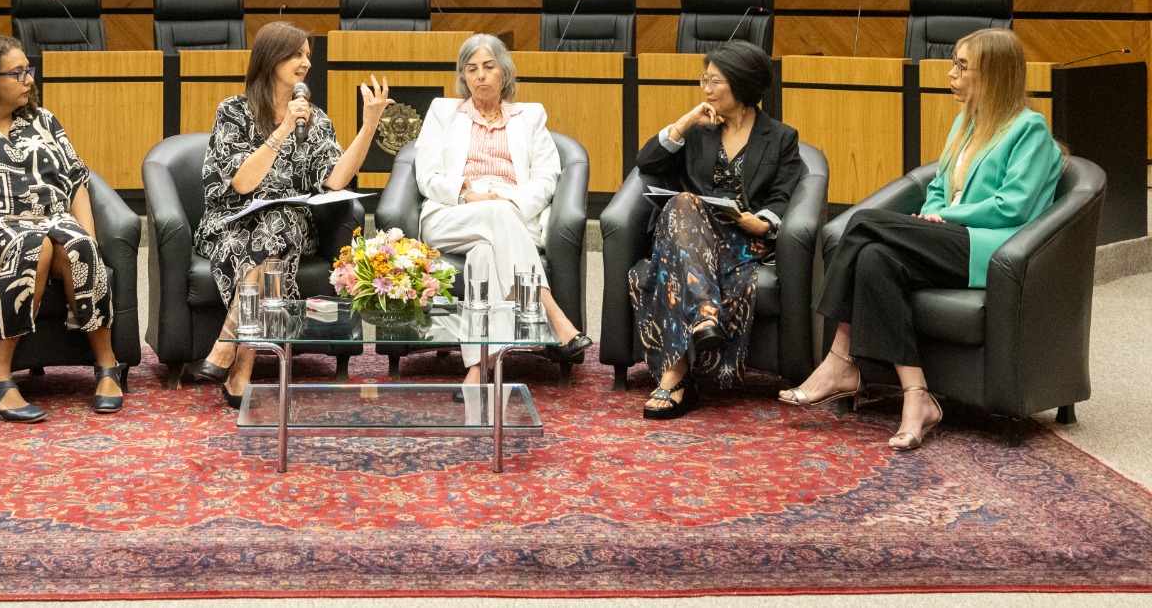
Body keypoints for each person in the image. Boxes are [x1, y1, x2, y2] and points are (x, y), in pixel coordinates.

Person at [783, 28, 1064, 450]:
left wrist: (943, 215)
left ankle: (839, 358)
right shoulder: (965, 124)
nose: (951, 74)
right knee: (875, 256)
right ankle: (918, 397)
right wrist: (930, 213)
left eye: (962, 67)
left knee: (861, 224)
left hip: (991, 246)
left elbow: (1013, 206)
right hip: (949, 235)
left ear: (993, 74)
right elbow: (938, 186)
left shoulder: (1030, 129)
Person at [0, 35, 123, 420]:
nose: (30, 79)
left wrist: (88, 235)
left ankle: (107, 365)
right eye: (18, 73)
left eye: (28, 71)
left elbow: (77, 179)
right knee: (36, 245)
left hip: (54, 215)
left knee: (79, 246)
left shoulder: (43, 120)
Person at [190, 21, 390, 406]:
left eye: (307, 56)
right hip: (230, 222)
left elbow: (334, 179)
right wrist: (282, 129)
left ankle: (227, 346)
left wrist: (369, 126)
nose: (305, 64)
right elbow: (243, 184)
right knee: (269, 250)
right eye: (297, 54)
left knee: (276, 223)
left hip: (291, 222)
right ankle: (240, 372)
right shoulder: (233, 112)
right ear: (271, 58)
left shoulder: (314, 120)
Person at [628, 39, 803, 419]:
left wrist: (757, 221)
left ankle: (675, 379)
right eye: (703, 80)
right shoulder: (698, 131)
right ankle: (704, 315)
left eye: (714, 82)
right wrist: (687, 121)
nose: (705, 90)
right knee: (683, 203)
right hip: (689, 234)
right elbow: (646, 162)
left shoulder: (781, 138)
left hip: (741, 239)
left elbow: (783, 196)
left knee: (670, 256)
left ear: (741, 84)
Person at [414, 34, 592, 390]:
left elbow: (546, 177)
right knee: (492, 219)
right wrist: (467, 195)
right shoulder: (442, 112)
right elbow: (426, 175)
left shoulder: (530, 117)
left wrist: (510, 204)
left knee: (484, 255)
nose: (480, 76)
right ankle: (552, 313)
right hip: (452, 212)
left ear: (504, 73)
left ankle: (480, 368)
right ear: (463, 77)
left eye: (489, 67)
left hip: (510, 214)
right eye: (471, 69)